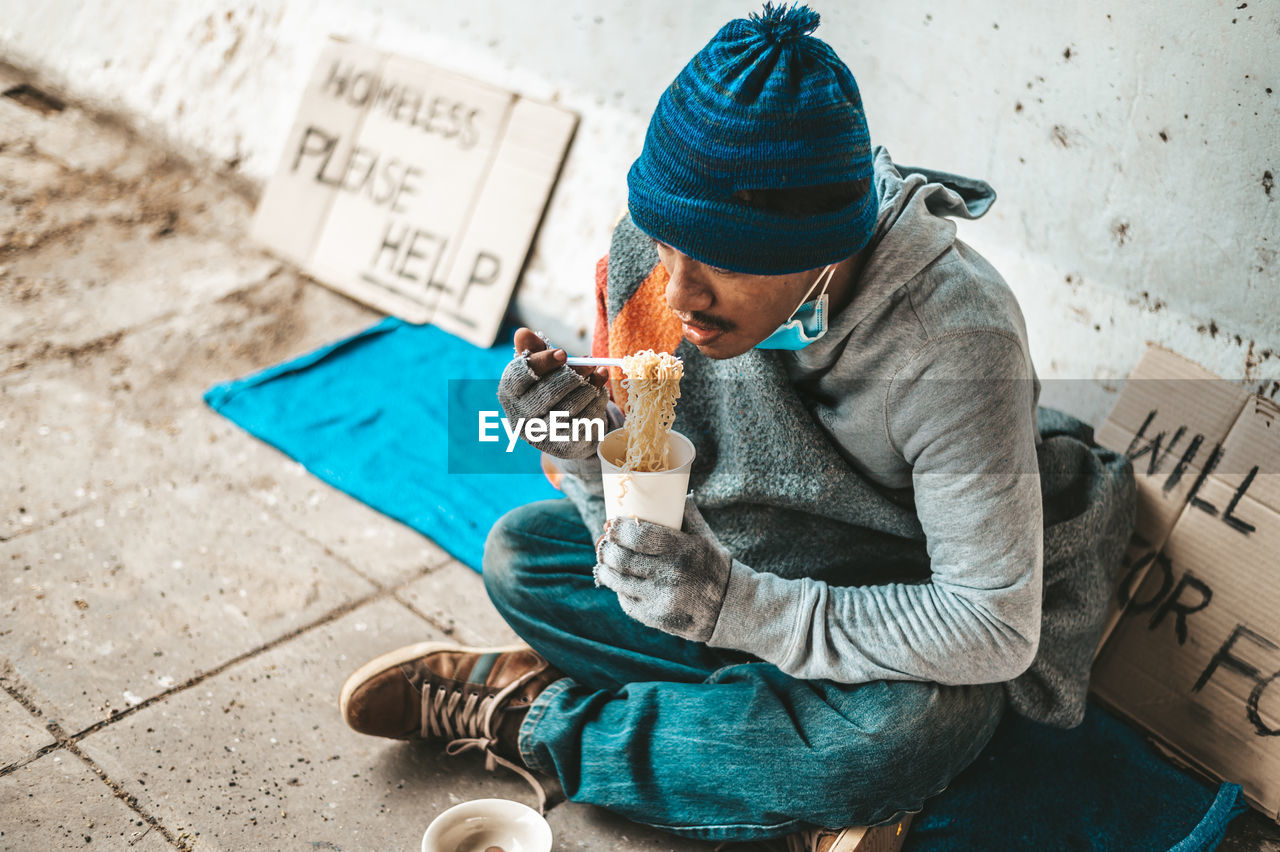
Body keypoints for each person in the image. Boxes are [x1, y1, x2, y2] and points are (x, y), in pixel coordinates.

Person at [338, 5, 1136, 850]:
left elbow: (991, 628)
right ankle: (755, 771)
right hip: (736, 556)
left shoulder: (955, 342)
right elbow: (638, 512)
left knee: (899, 736)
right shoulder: (651, 261)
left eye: (719, 257)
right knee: (522, 559)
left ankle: (539, 716)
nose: (679, 295)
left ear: (827, 245)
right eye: (669, 245)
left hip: (894, 596)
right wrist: (583, 450)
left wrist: (734, 609)